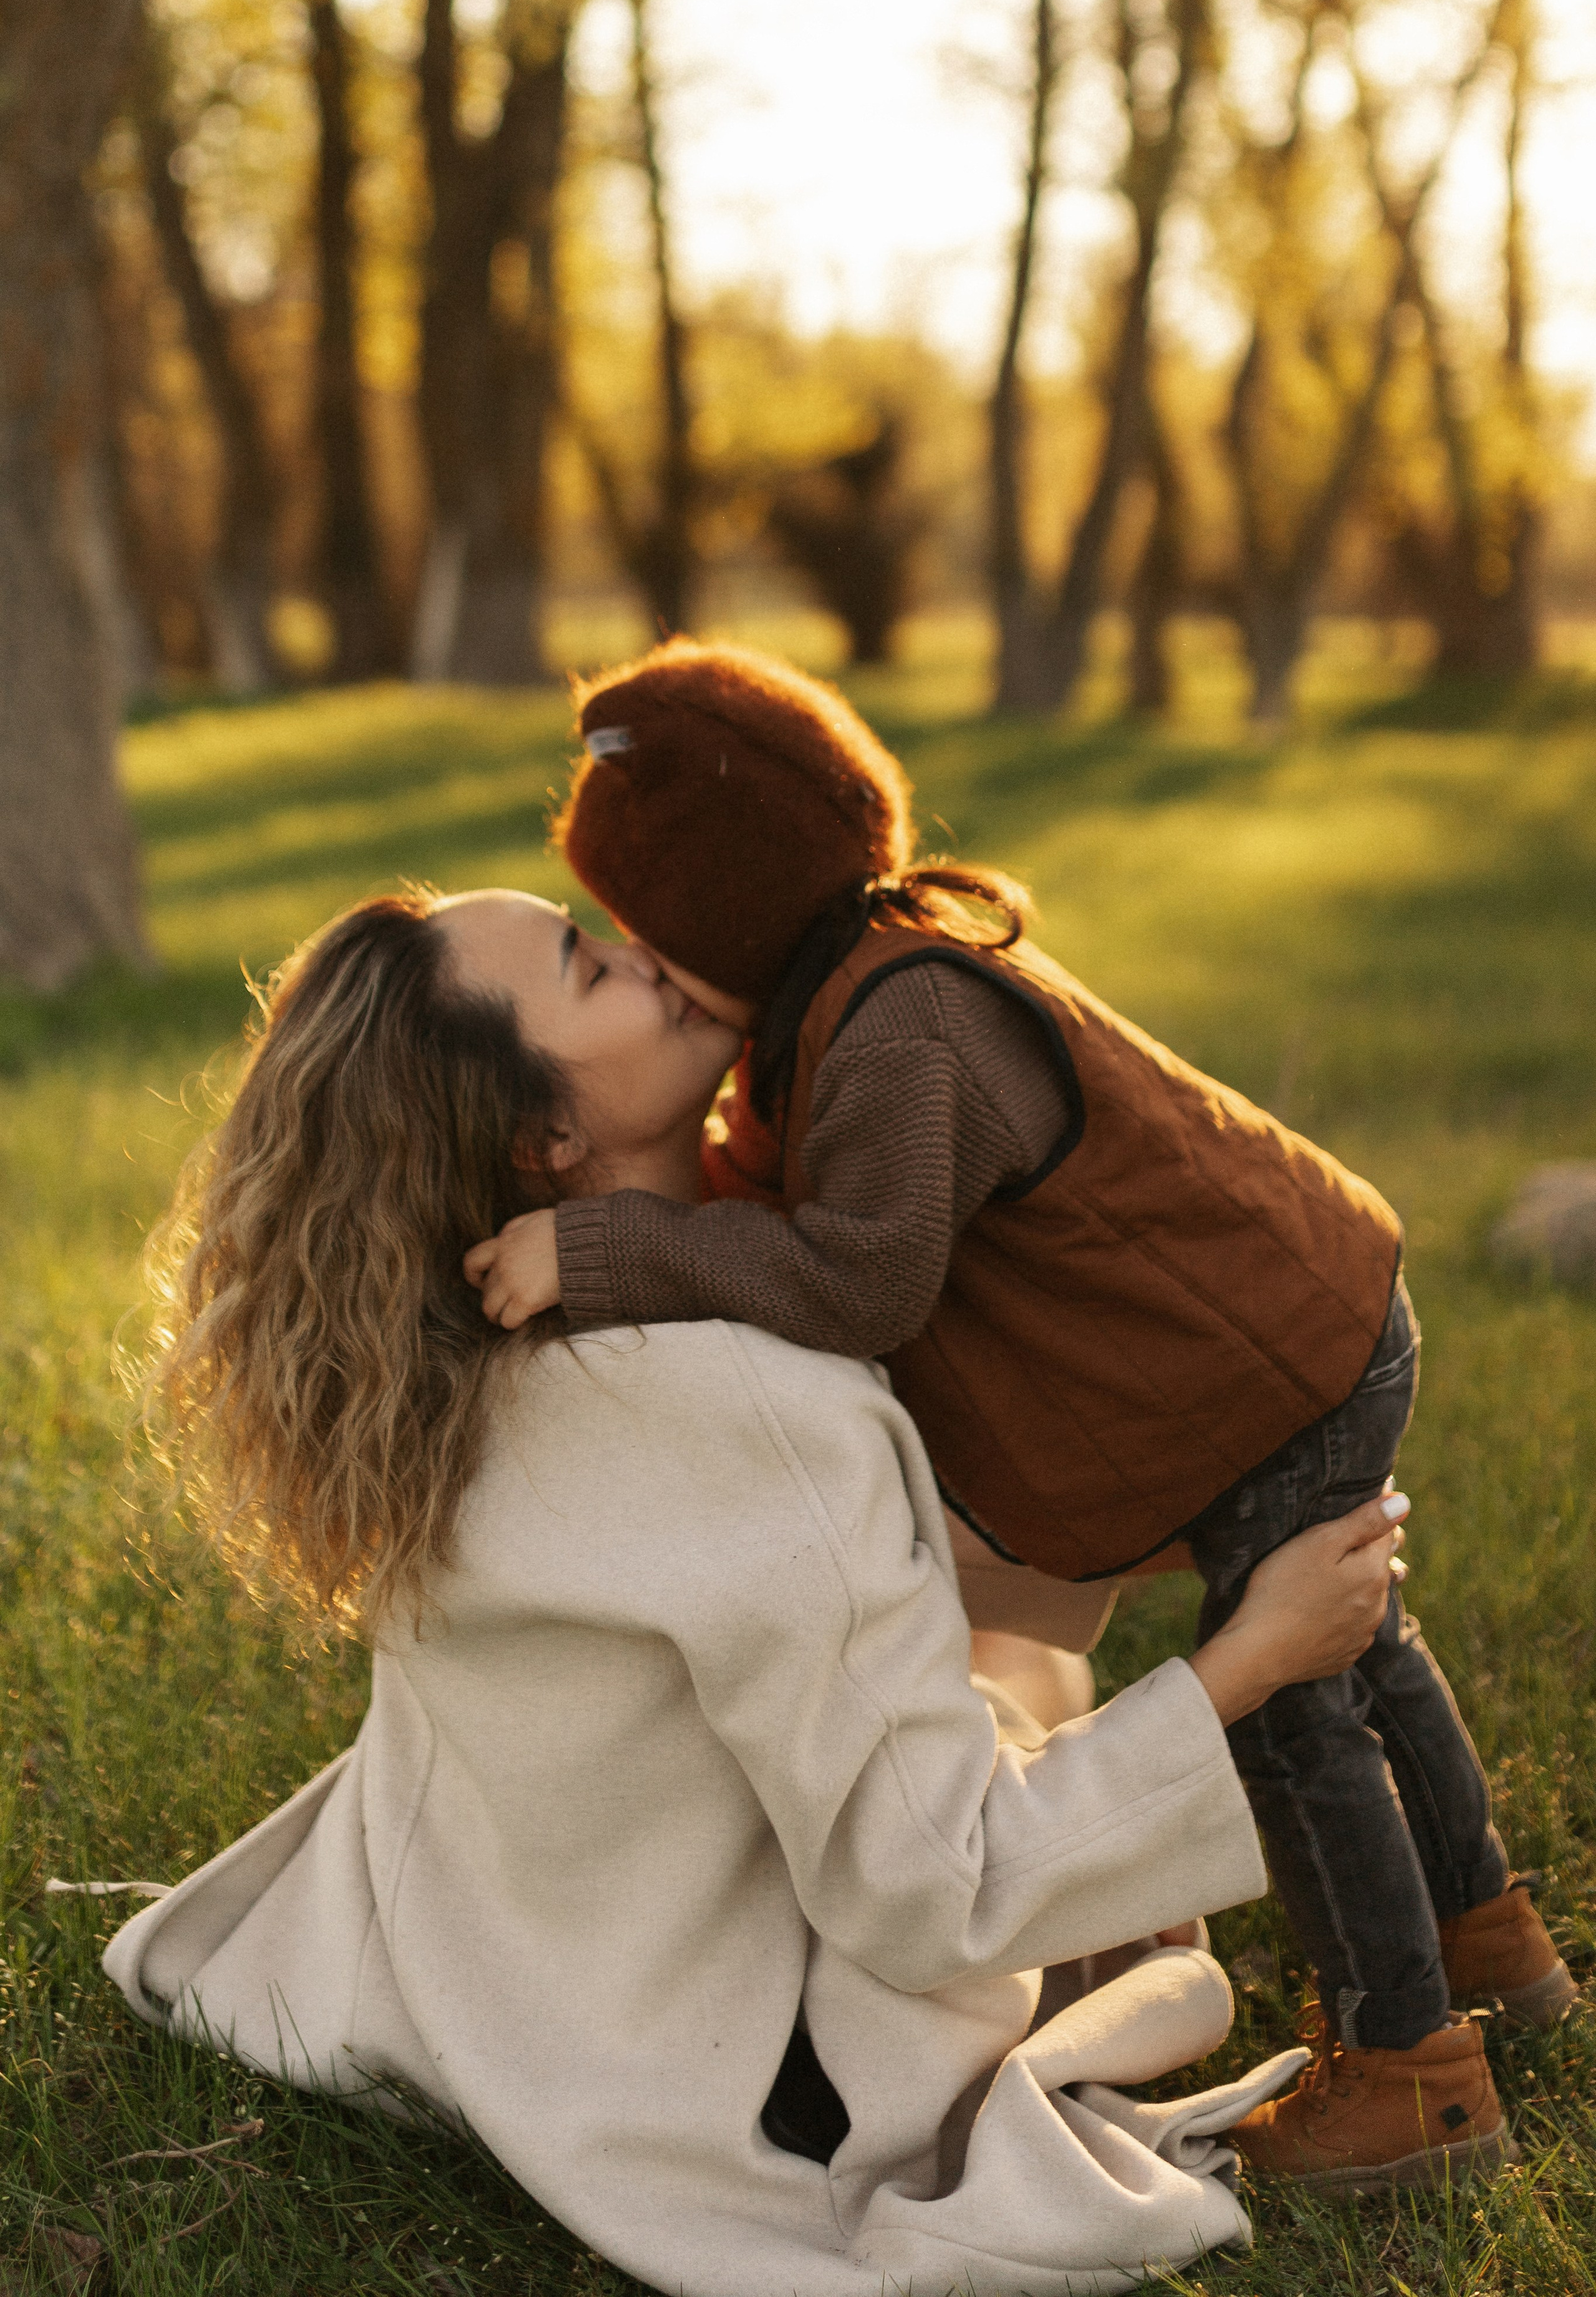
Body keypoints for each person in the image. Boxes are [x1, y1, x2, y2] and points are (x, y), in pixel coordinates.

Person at [103, 888, 1427, 2297]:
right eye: (586, 966)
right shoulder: (751, 1406)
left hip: (515, 1980)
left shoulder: (468, 1364)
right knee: (1035, 1729)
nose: (651, 953)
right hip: (726, 2062)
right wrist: (1255, 1656)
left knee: (1020, 1674)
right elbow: (928, 1889)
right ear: (545, 1139)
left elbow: (763, 1582)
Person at [464, 640, 1577, 2187]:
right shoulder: (831, 1009)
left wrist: (602, 1246)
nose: (641, 967)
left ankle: (1406, 2070)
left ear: (729, 911)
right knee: (1370, 1656)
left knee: (1297, 1700)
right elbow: (765, 1192)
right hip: (1281, 1329)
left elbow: (857, 1282)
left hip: (1270, 1353)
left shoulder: (902, 1029)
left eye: (649, 938)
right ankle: (1493, 1944)